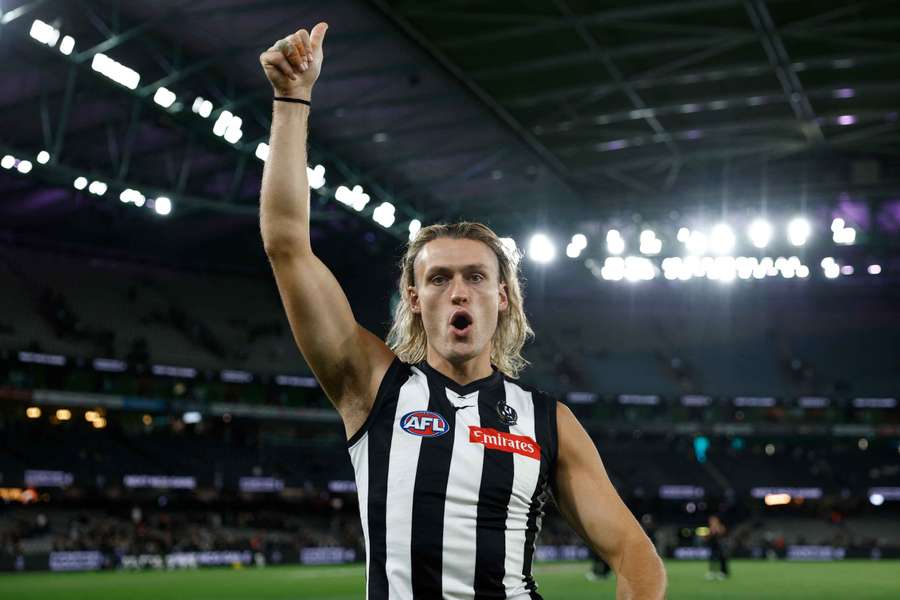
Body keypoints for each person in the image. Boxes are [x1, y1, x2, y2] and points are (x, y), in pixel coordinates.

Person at [258, 23, 666, 600]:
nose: (458, 292)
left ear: (502, 297)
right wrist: (292, 99)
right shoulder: (370, 385)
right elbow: (286, 245)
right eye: (439, 278)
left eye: (476, 277)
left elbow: (637, 560)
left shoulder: (548, 422)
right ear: (414, 299)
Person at [705, 514, 729, 581]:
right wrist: (710, 533)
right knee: (712, 559)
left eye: (713, 520)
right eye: (711, 520)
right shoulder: (710, 528)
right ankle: (712, 572)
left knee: (722, 559)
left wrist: (717, 530)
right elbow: (707, 538)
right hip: (713, 547)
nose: (711, 521)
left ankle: (723, 573)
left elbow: (723, 534)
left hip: (721, 546)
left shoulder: (721, 527)